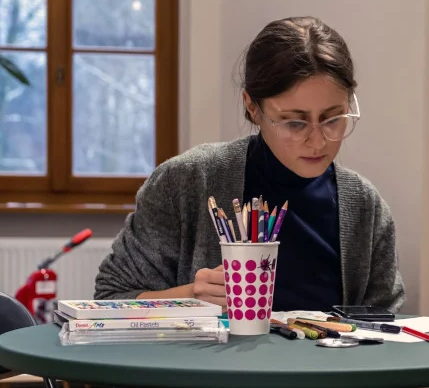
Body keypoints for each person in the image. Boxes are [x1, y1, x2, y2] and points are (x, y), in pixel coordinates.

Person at [94, 16, 406, 313]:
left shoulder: (364, 205)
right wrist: (189, 298)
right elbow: (111, 298)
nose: (317, 141)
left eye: (332, 119)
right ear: (252, 107)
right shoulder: (186, 182)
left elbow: (383, 322)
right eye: (295, 123)